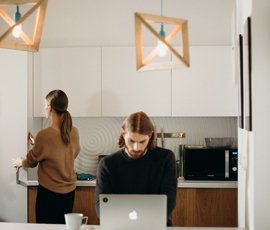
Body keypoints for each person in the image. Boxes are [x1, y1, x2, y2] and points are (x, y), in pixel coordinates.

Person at [95, 111, 177, 226]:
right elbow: (101, 209)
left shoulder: (166, 159)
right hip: (119, 227)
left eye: (142, 141)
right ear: (123, 133)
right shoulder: (107, 164)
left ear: (150, 136)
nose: (136, 147)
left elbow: (169, 202)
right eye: (131, 140)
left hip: (156, 226)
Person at [13, 89, 80, 224]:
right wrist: (36, 143)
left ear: (49, 108)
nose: (44, 108)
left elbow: (31, 161)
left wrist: (21, 162)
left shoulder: (45, 135)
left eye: (45, 105)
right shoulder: (74, 131)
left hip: (49, 194)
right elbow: (64, 151)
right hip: (69, 194)